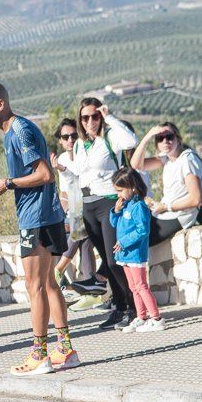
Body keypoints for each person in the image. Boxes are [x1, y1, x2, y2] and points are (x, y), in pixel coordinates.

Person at [0, 82, 81, 375]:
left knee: (34, 286)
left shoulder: (19, 131)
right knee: (49, 284)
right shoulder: (18, 130)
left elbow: (45, 174)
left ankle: (39, 354)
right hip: (48, 215)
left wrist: (7, 183)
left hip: (35, 219)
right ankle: (65, 349)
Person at [66, 98, 139, 330]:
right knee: (105, 259)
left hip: (109, 203)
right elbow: (80, 171)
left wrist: (109, 117)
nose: (90, 122)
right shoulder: (79, 145)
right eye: (85, 118)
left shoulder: (110, 137)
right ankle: (118, 307)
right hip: (88, 206)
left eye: (94, 116)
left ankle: (133, 308)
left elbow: (131, 140)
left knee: (113, 259)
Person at [49, 118, 100, 310]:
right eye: (65, 137)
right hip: (75, 209)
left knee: (80, 228)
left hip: (93, 203)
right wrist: (64, 215)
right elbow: (65, 192)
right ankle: (92, 293)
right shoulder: (61, 159)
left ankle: (58, 269)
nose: (70, 140)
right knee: (85, 245)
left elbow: (82, 183)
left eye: (73, 135)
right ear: (60, 140)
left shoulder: (85, 154)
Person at [130, 122, 202, 246]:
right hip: (165, 214)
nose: (165, 141)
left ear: (178, 138)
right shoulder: (167, 159)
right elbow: (136, 165)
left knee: (135, 241)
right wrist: (148, 136)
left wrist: (166, 207)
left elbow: (196, 199)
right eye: (160, 138)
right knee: (127, 229)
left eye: (169, 137)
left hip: (180, 216)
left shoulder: (187, 160)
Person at [109, 168, 166, 332]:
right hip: (125, 254)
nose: (118, 194)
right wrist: (116, 211)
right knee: (133, 287)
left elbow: (143, 230)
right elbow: (115, 224)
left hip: (135, 254)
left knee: (141, 286)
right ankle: (141, 317)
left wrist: (124, 242)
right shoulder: (125, 205)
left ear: (132, 186)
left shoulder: (139, 206)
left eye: (120, 190)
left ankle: (156, 318)